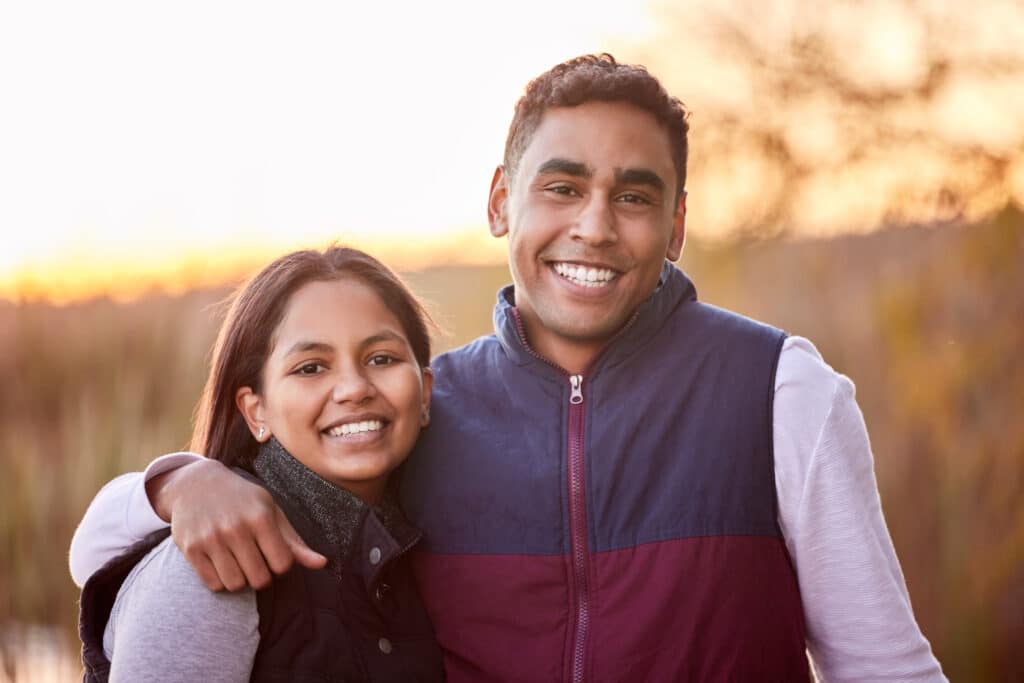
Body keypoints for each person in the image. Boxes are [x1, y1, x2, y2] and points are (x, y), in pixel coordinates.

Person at [71, 54, 946, 681]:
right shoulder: (423, 408)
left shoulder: (778, 391)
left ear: (676, 226)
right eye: (561, 187)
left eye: (634, 196)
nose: (595, 226)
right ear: (501, 201)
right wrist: (177, 483)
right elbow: (99, 554)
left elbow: (883, 664)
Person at [77, 247, 445, 681]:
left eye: (381, 359)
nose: (353, 388)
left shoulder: (421, 540)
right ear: (256, 411)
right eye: (311, 368)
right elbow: (88, 552)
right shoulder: (215, 563)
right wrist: (176, 484)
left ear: (423, 393)